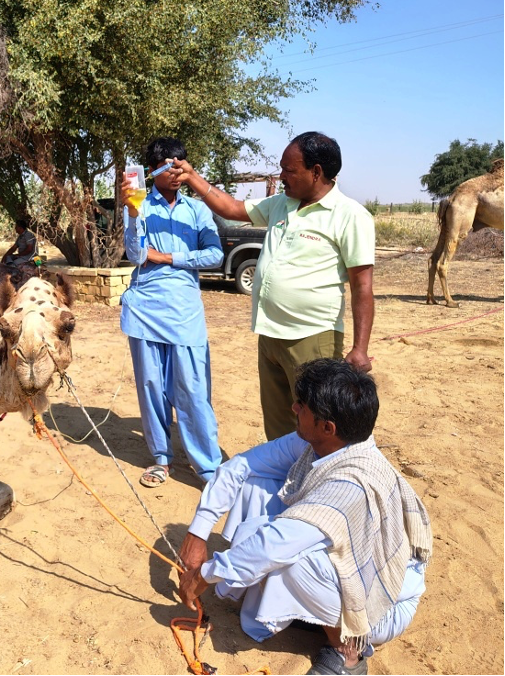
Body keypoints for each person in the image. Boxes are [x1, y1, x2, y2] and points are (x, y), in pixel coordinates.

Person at [177, 358, 431, 676]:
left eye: (302, 406)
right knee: (255, 485)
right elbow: (239, 468)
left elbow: (274, 545)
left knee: (291, 561)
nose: (295, 409)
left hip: (382, 607)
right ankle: (297, 606)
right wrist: (197, 534)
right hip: (352, 567)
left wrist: (204, 574)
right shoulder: (325, 441)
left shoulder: (351, 483)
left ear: (328, 427)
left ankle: (348, 653)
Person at [169, 132, 375, 441]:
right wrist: (193, 177)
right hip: (270, 335)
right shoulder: (282, 204)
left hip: (312, 337)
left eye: (289, 170)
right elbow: (232, 209)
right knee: (279, 421)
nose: (281, 177)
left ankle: (315, 485)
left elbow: (362, 285)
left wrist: (360, 348)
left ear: (316, 172)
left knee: (318, 424)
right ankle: (284, 480)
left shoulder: (350, 216)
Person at [120, 137, 224, 488]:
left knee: (193, 390)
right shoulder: (138, 205)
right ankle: (161, 459)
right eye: (168, 165)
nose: (176, 171)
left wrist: (169, 258)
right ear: (152, 171)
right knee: (151, 386)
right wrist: (134, 214)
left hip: (184, 311)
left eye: (181, 163)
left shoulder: (196, 210)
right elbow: (135, 256)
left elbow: (215, 256)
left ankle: (209, 468)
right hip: (146, 308)